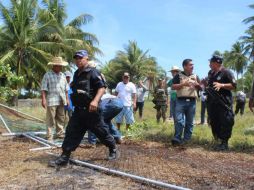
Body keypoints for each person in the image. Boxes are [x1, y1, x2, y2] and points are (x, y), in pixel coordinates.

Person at [48, 50, 118, 167]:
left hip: (92, 111)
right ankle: (64, 157)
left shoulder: (93, 72)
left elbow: (102, 88)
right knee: (71, 132)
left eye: (80, 58)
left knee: (101, 132)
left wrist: (95, 101)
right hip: (79, 111)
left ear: (86, 58)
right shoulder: (76, 73)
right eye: (76, 58)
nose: (78, 60)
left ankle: (113, 148)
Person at [206, 55, 236, 151]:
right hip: (212, 102)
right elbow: (210, 85)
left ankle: (224, 143)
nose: (209, 64)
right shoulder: (210, 73)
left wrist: (222, 85)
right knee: (214, 121)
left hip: (224, 102)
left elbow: (234, 85)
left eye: (210, 62)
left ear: (216, 63)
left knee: (225, 121)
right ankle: (217, 140)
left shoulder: (226, 72)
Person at [171, 59, 200, 146]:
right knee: (179, 120)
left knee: (190, 122)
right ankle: (177, 138)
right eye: (190, 65)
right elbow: (173, 87)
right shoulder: (178, 76)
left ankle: (186, 139)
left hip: (192, 102)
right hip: (181, 101)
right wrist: (183, 84)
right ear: (185, 66)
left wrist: (197, 85)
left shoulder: (195, 76)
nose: (192, 66)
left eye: (192, 65)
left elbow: (201, 87)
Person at [41, 57, 69, 141]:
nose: (61, 67)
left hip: (61, 100)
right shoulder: (47, 74)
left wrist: (67, 99)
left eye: (61, 66)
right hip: (52, 100)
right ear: (54, 65)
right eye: (59, 66)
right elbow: (43, 88)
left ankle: (60, 133)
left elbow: (66, 89)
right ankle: (49, 136)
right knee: (51, 119)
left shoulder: (62, 75)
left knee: (61, 117)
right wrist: (43, 99)